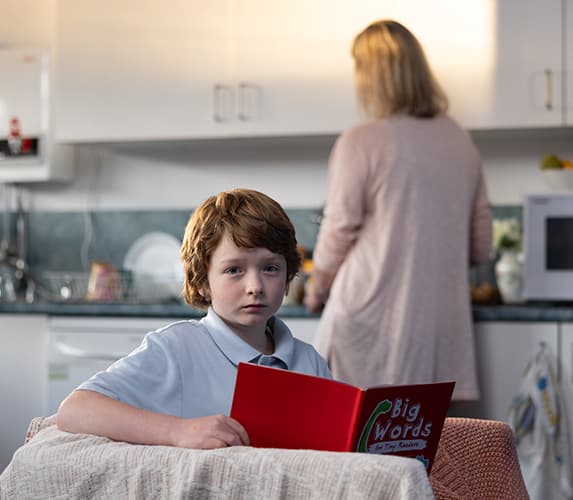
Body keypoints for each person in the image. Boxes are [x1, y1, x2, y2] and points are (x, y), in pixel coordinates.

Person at [304, 19, 492, 401]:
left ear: (372, 75)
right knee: (418, 448)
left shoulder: (361, 140)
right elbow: (480, 245)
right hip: (434, 327)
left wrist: (316, 286)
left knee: (353, 449)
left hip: (368, 320)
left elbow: (339, 227)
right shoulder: (458, 139)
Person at [57, 188, 332, 449]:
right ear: (203, 282)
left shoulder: (310, 361)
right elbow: (75, 410)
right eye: (234, 270)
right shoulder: (176, 348)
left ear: (288, 276)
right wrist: (178, 431)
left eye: (270, 268)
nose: (255, 286)